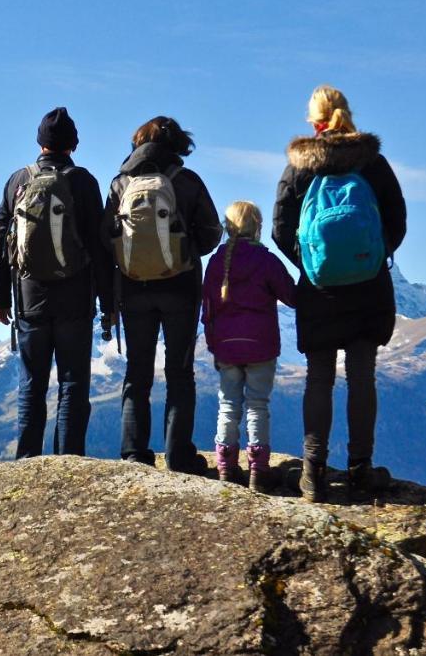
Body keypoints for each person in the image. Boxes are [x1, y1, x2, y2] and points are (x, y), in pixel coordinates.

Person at [272, 86, 406, 502]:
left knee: (319, 378)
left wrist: (310, 262)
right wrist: (373, 256)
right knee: (362, 376)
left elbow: (279, 228)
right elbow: (397, 219)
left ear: (314, 121)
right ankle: (360, 470)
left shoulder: (298, 168)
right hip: (369, 287)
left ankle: (312, 474)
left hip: (320, 290)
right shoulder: (373, 162)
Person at [0, 107, 113, 458]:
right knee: (73, 383)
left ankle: (27, 460)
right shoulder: (84, 182)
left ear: (40, 143)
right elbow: (98, 246)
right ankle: (69, 461)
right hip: (75, 297)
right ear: (73, 144)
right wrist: (108, 301)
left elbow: (0, 243)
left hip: (29, 297)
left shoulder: (17, 182)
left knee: (32, 384)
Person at [105, 116, 221, 473]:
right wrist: (182, 251)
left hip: (133, 288)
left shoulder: (120, 184)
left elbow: (104, 236)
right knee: (180, 373)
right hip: (180, 288)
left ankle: (133, 455)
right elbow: (212, 233)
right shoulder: (187, 181)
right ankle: (178, 456)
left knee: (137, 372)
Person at [202, 200, 296, 492]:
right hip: (261, 346)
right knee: (258, 405)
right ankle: (258, 469)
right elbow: (292, 295)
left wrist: (213, 345)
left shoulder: (217, 262)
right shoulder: (266, 261)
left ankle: (226, 467)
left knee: (228, 405)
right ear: (257, 227)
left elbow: (207, 309)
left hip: (227, 348)